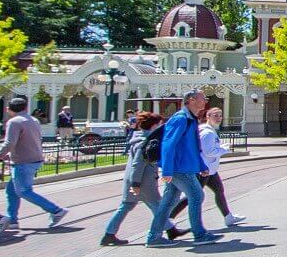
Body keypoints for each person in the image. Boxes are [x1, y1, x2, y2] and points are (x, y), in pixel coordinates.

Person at [146, 90, 221, 246]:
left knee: (168, 202)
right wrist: (166, 170)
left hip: (184, 167)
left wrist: (201, 165)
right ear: (192, 100)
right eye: (202, 98)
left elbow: (194, 146)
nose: (205, 101)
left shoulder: (190, 120)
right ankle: (199, 234)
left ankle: (154, 237)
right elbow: (168, 144)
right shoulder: (181, 119)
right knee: (197, 195)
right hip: (179, 169)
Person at [100, 112, 187, 245]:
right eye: (159, 124)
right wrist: (136, 182)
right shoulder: (144, 142)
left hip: (135, 180)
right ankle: (162, 234)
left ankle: (109, 234)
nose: (162, 126)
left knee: (126, 206)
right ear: (154, 126)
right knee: (158, 207)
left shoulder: (139, 138)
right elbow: (138, 164)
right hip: (143, 182)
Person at [0, 96, 69, 236]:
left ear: (8, 109)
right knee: (11, 191)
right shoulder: (33, 120)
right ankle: (12, 220)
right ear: (25, 108)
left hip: (23, 162)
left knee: (23, 191)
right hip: (34, 159)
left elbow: (9, 143)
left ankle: (56, 210)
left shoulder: (14, 122)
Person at [172, 107, 245, 228]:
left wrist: (221, 146)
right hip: (204, 170)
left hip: (210, 169)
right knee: (193, 195)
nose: (218, 118)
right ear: (208, 116)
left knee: (219, 191)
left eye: (220, 116)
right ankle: (168, 218)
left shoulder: (208, 131)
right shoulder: (207, 132)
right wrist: (224, 149)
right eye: (215, 115)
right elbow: (208, 151)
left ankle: (228, 217)